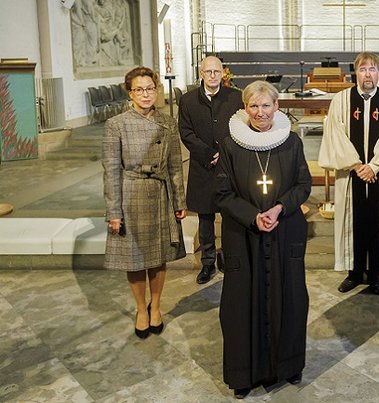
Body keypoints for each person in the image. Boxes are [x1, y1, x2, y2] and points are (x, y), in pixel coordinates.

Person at [215, 81, 311, 399]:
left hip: (284, 232)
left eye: (266, 105)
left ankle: (288, 365)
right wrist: (253, 216)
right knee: (240, 304)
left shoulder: (292, 143)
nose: (260, 112)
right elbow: (223, 193)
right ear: (245, 109)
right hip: (244, 235)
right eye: (253, 106)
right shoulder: (230, 146)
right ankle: (243, 374)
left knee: (291, 299)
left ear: (277, 107)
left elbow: (303, 184)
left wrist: (281, 208)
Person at [103, 66, 187, 339]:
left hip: (160, 194)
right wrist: (114, 211)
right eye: (139, 89)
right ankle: (141, 308)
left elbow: (175, 165)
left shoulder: (167, 122)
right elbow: (111, 171)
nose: (145, 94)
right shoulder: (116, 124)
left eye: (150, 88)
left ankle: (156, 307)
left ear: (156, 90)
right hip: (131, 195)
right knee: (135, 258)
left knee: (159, 256)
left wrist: (178, 199)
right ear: (130, 93)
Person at [319, 52, 379, 295]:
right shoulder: (341, 100)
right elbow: (335, 135)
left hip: (377, 177)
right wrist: (357, 165)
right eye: (363, 69)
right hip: (350, 176)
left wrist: (375, 166)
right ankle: (354, 273)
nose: (367, 74)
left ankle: (374, 276)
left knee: (374, 222)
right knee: (352, 221)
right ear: (355, 73)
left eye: (372, 69)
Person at [179, 56, 243, 285]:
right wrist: (208, 154)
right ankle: (207, 262)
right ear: (201, 73)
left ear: (223, 74)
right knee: (205, 217)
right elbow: (186, 132)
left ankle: (226, 257)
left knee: (229, 215)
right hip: (202, 166)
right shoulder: (187, 100)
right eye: (208, 71)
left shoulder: (236, 97)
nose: (213, 75)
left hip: (230, 166)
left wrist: (225, 154)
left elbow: (242, 126)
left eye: (217, 71)